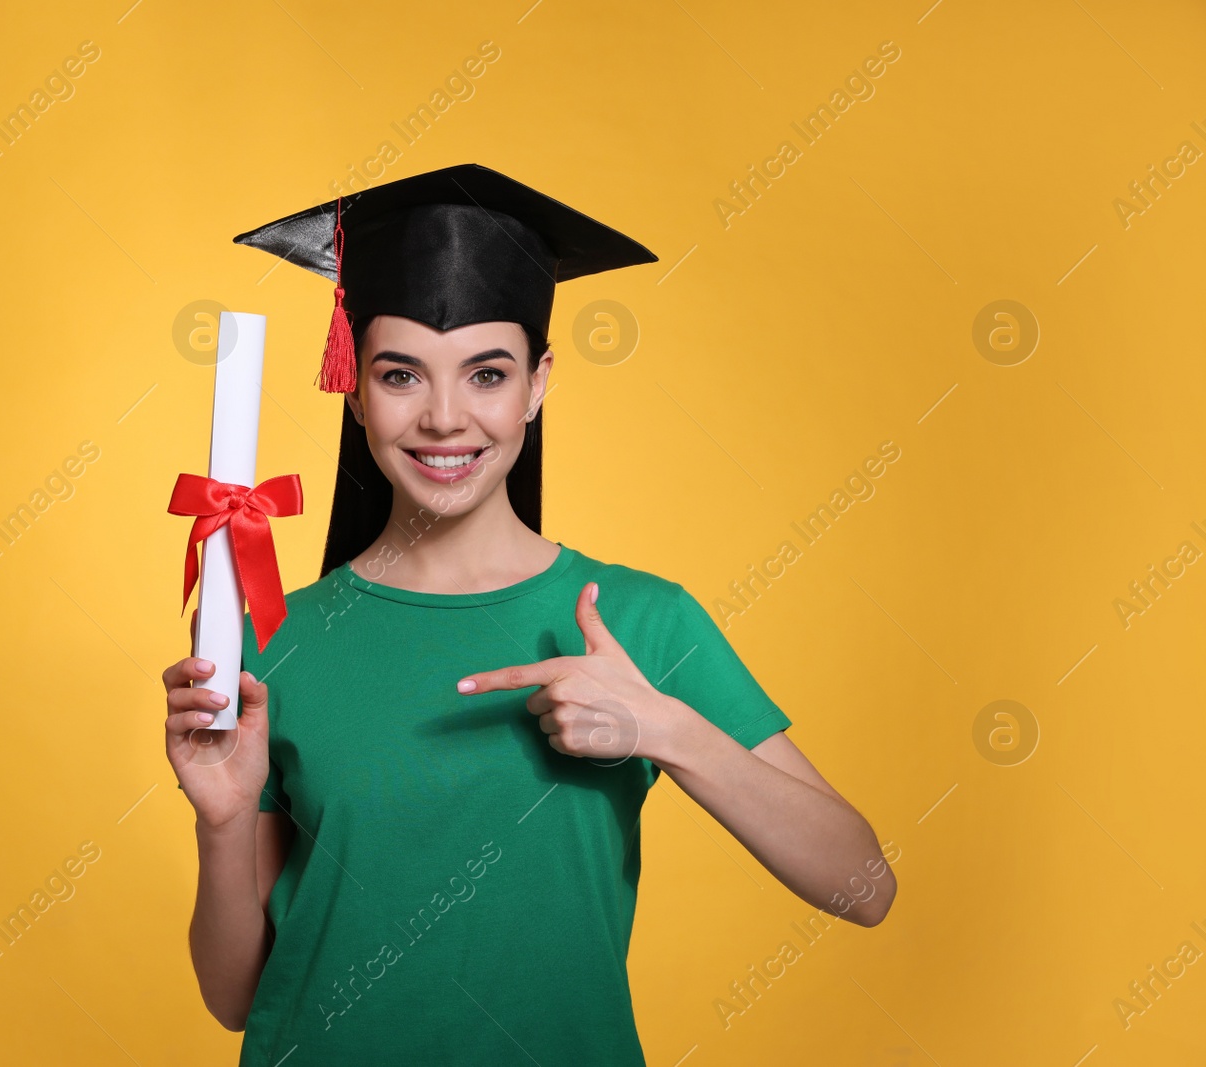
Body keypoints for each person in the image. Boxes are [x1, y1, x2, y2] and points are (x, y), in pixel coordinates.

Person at [163, 164, 895, 1065]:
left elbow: (865, 884)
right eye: (401, 374)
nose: (443, 417)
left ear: (538, 384)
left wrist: (664, 727)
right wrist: (225, 821)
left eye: (487, 373)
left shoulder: (639, 621)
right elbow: (238, 998)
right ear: (355, 387)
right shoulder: (271, 636)